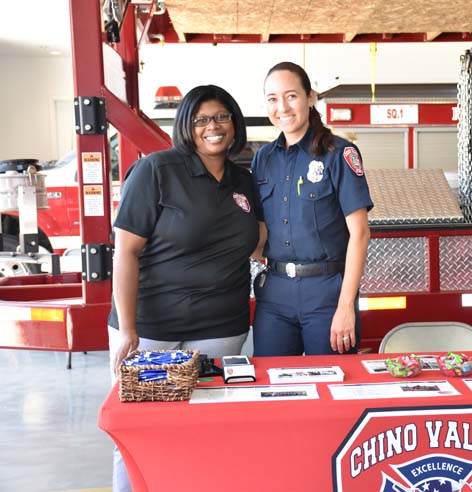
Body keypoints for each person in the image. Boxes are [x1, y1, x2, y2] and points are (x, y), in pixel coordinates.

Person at [107, 84, 262, 492]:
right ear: (186, 125)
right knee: (141, 432)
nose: (213, 127)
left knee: (205, 432)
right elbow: (125, 252)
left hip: (220, 328)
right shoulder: (156, 171)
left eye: (222, 117)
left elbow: (259, 240)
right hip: (151, 328)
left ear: (235, 123)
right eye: (201, 120)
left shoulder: (244, 181)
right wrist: (127, 329)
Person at [251, 61, 373, 356]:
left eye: (291, 96)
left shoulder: (338, 153)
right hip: (275, 294)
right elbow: (259, 231)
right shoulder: (262, 159)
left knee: (334, 384)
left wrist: (346, 307)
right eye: (272, 99)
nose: (282, 107)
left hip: (327, 293)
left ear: (310, 97)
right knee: (270, 386)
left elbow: (360, 234)